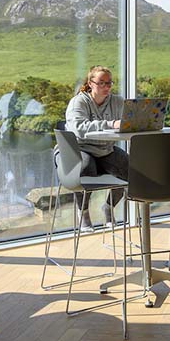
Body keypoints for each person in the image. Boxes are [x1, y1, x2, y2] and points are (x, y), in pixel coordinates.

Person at [64, 65, 128, 229]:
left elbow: (129, 121)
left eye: (109, 83)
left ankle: (108, 206)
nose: (106, 87)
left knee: (131, 171)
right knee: (86, 169)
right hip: (81, 148)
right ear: (90, 83)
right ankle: (83, 211)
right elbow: (78, 127)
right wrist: (111, 123)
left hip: (106, 149)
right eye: (101, 83)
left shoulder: (117, 102)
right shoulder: (79, 101)